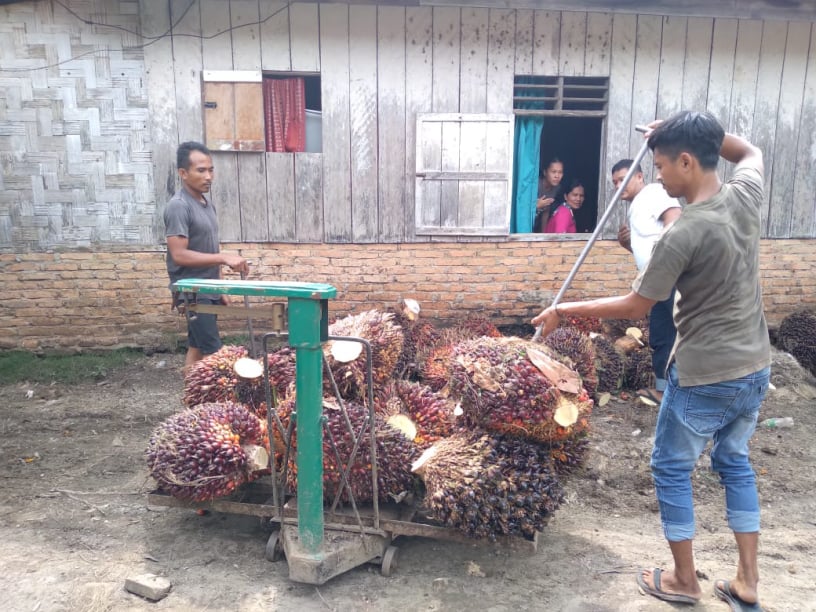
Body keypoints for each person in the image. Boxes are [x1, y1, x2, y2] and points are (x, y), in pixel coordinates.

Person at [533, 111, 770, 610]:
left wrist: (562, 310)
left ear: (686, 161)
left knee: (669, 467)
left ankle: (684, 580)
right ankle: (747, 581)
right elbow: (748, 152)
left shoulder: (680, 235)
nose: (657, 176)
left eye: (662, 164)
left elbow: (636, 305)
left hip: (704, 374)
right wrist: (699, 132)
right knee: (735, 462)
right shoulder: (745, 196)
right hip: (754, 367)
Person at [164, 141, 249, 372]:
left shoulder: (205, 203)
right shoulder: (179, 206)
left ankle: (190, 401)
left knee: (196, 347)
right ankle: (219, 405)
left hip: (207, 287)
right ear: (183, 173)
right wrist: (223, 258)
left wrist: (219, 286)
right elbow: (179, 254)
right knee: (215, 354)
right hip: (193, 292)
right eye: (201, 170)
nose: (208, 176)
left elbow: (210, 247)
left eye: (211, 170)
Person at [611, 159, 682, 404]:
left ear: (640, 177)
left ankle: (666, 391)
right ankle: (669, 386)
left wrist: (667, 266)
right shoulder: (636, 207)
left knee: (666, 333)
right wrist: (628, 245)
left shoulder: (654, 192)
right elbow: (647, 251)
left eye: (624, 179)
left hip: (669, 277)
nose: (619, 186)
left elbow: (675, 220)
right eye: (615, 182)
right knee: (662, 332)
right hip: (657, 281)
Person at [533, 158, 564, 232]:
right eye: (553, 172)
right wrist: (535, 206)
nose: (557, 176)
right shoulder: (536, 186)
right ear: (545, 172)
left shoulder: (557, 188)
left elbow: (546, 210)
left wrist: (544, 234)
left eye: (560, 172)